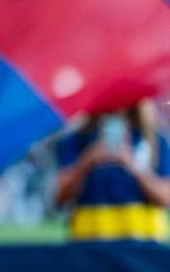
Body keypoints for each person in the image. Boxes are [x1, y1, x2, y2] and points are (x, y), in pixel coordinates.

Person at [56, 101, 170, 241]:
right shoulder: (77, 140)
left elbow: (165, 198)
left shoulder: (154, 140)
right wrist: (88, 160)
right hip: (91, 241)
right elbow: (61, 199)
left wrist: (132, 165)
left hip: (142, 242)